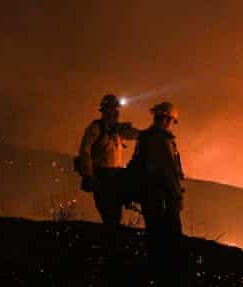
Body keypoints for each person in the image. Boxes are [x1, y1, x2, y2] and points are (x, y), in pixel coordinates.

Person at [127, 102, 185, 261]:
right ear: (167, 119)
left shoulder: (145, 137)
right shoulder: (162, 140)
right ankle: (166, 274)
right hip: (162, 197)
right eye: (173, 121)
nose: (172, 125)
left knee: (153, 234)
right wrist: (178, 197)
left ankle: (153, 269)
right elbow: (169, 172)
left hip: (148, 194)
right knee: (170, 237)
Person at [76, 94, 139, 234]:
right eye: (112, 108)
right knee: (109, 214)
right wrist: (88, 175)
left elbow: (133, 134)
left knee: (115, 215)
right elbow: (84, 152)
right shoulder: (96, 128)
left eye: (116, 108)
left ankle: (111, 240)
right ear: (104, 110)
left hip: (115, 177)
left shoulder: (117, 130)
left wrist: (148, 135)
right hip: (102, 177)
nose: (116, 112)